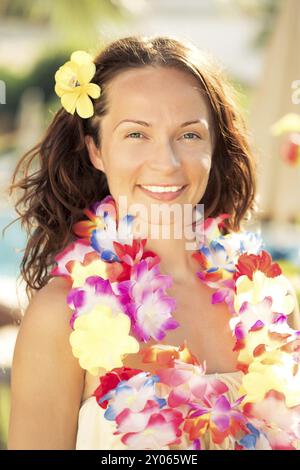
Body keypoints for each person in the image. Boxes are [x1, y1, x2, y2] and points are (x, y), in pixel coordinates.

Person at [7, 35, 300, 450]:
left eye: (189, 135)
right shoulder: (60, 316)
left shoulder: (267, 297)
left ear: (214, 146)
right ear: (96, 150)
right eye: (136, 135)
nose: (167, 162)